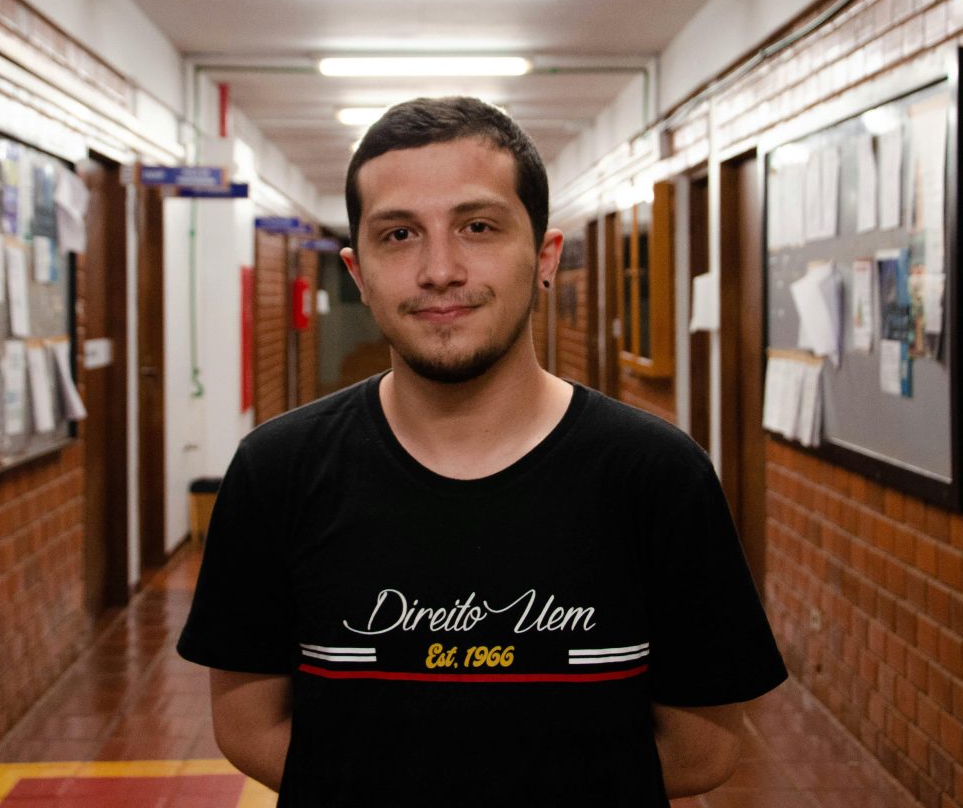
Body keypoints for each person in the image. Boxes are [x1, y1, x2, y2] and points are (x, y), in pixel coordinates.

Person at [177, 96, 787, 806]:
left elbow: (703, 748)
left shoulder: (657, 475)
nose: (441, 269)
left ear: (545, 257)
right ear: (359, 273)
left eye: (477, 226)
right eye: (399, 234)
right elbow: (248, 727)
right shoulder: (275, 471)